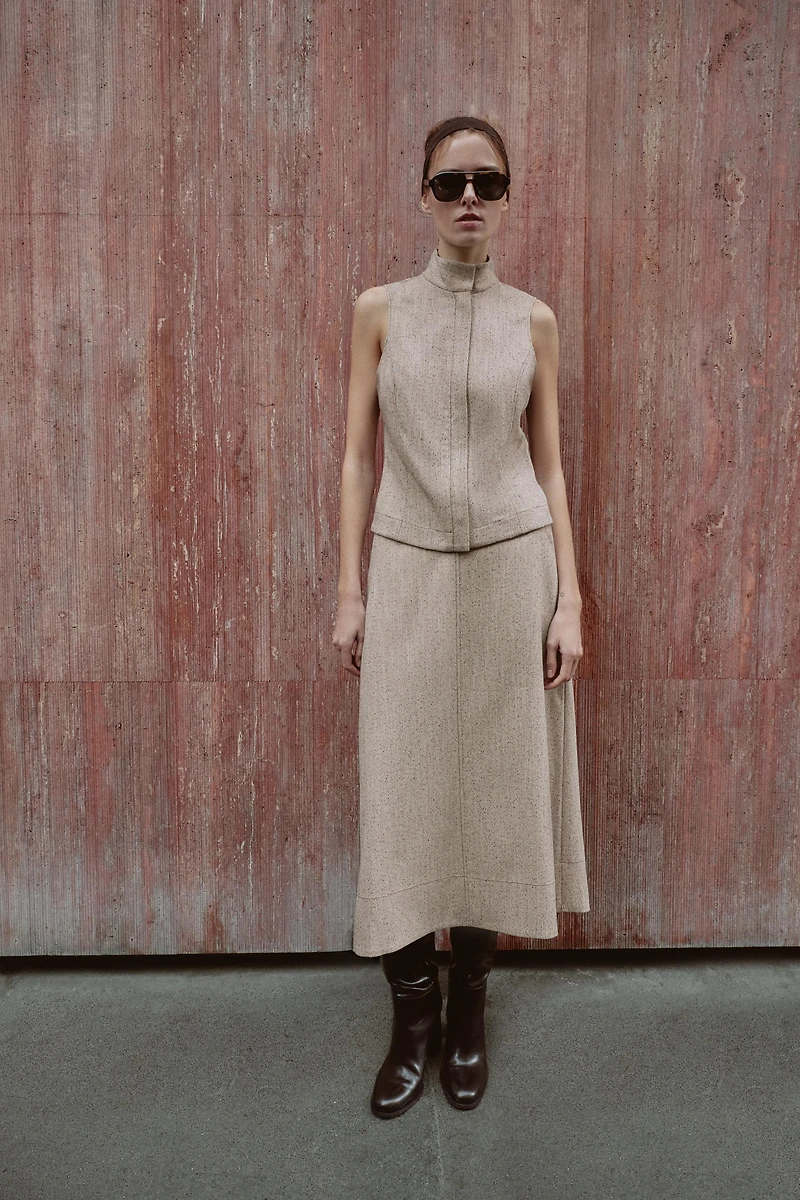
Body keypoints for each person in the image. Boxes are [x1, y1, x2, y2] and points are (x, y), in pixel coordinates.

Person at [332, 115, 590, 1118]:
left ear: (508, 195)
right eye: (450, 183)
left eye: (487, 182)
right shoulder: (381, 311)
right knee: (401, 793)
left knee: (493, 796)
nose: (469, 197)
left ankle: (469, 1014)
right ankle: (412, 1021)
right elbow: (357, 455)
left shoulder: (534, 320)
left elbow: (549, 467)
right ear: (424, 196)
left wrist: (568, 599)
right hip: (406, 567)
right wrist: (350, 589)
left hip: (513, 573)